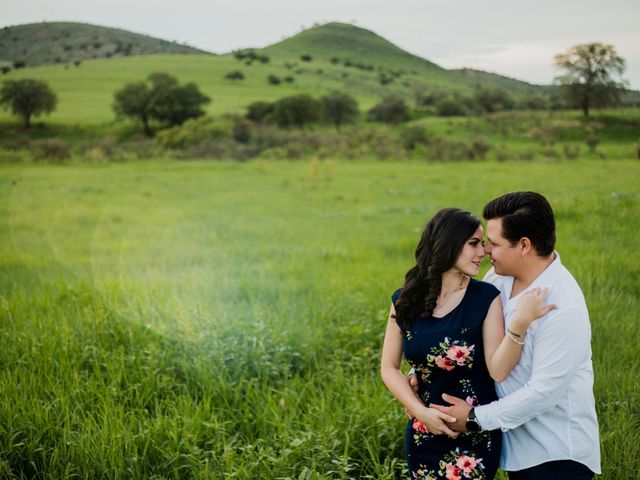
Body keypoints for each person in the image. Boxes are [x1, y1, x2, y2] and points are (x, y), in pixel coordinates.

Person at [428, 192, 601, 479]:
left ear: (524, 245)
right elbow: (470, 341)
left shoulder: (563, 305)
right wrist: (426, 369)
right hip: (514, 449)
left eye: (493, 244)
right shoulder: (497, 279)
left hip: (556, 456)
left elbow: (543, 393)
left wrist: (473, 419)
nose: (485, 252)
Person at [380, 207, 553, 480]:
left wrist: (519, 325)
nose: (483, 251)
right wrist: (419, 412)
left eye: (483, 243)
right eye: (474, 243)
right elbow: (389, 367)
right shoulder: (405, 299)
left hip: (473, 437)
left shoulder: (485, 297)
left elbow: (497, 369)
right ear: (448, 243)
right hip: (423, 434)